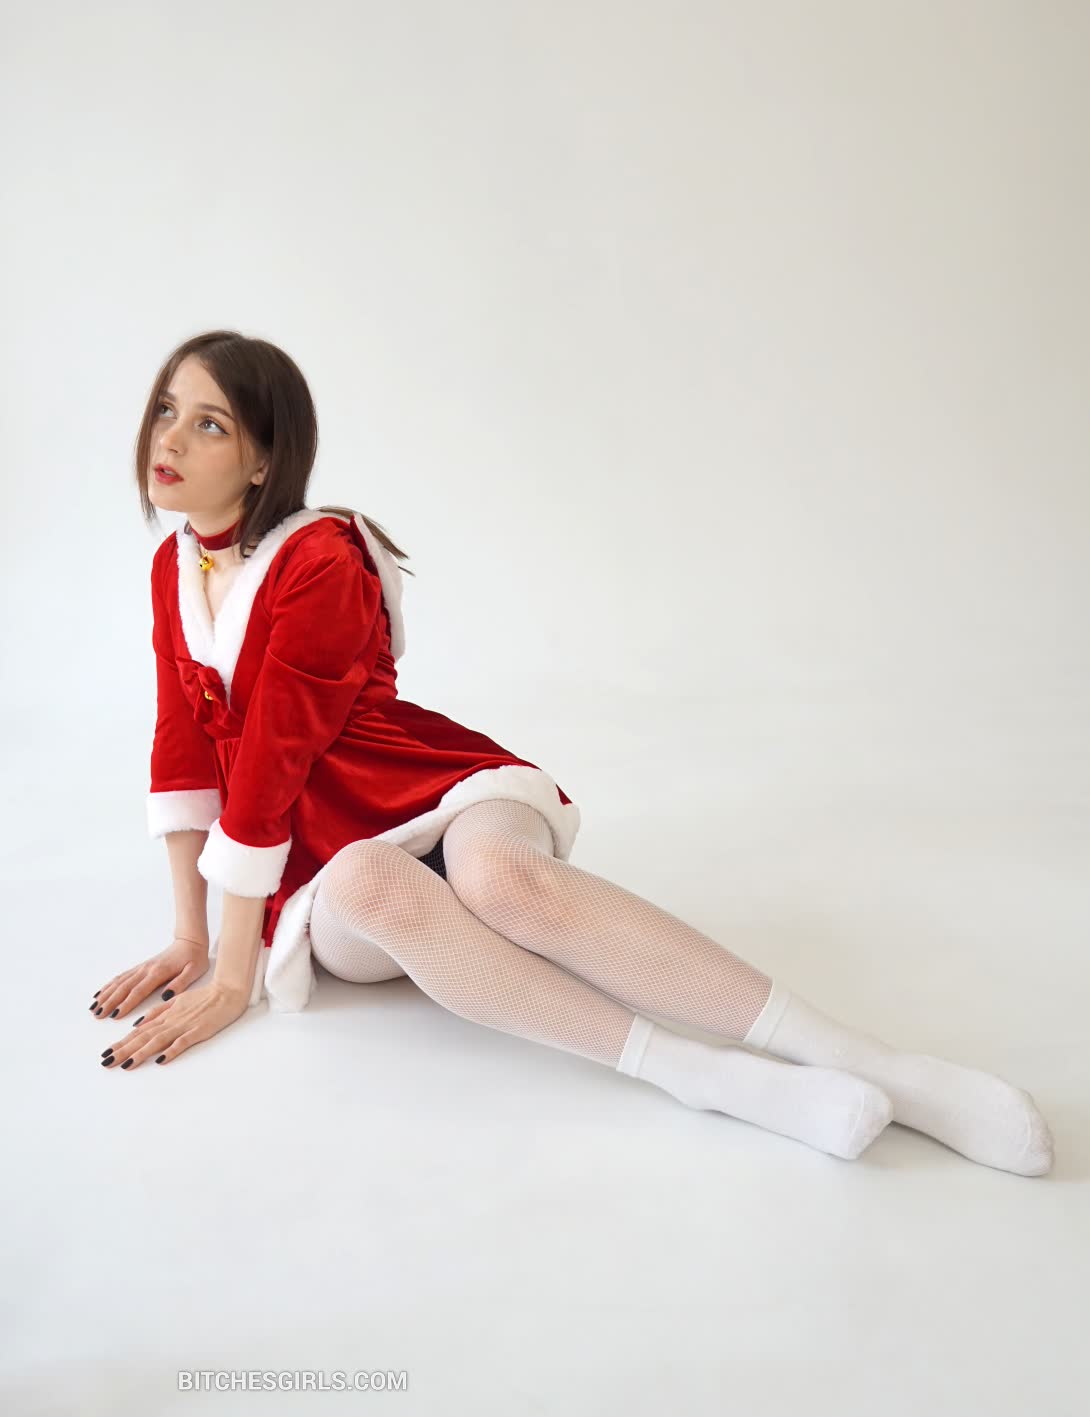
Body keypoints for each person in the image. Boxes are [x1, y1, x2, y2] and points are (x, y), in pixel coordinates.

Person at [90, 329, 1053, 1177]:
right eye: (167, 410)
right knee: (371, 882)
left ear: (263, 458)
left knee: (503, 880)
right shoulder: (174, 568)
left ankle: (873, 1062)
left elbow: (273, 754)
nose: (168, 439)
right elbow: (184, 751)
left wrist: (235, 975)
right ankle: (705, 1077)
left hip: (426, 785)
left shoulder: (321, 557)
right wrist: (193, 940)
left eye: (209, 425)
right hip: (327, 864)